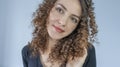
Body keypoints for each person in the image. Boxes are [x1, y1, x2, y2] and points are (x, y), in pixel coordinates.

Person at [22, 0, 98, 67]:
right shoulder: (27, 52)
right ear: (48, 8)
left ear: (78, 26)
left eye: (73, 19)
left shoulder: (84, 53)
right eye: (60, 10)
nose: (63, 22)